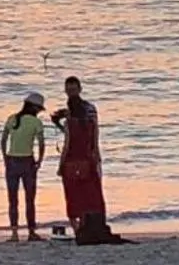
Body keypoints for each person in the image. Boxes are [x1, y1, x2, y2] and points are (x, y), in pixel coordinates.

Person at [52, 76, 127, 244]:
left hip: (73, 161)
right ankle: (89, 229)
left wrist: (60, 165)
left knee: (73, 198)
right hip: (88, 160)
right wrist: (96, 156)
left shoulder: (71, 118)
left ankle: (79, 231)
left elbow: (68, 142)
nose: (70, 92)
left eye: (71, 89)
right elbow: (92, 136)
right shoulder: (88, 112)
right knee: (91, 197)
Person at [0, 91, 47, 240]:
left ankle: (14, 233)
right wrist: (40, 160)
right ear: (34, 108)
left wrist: (5, 158)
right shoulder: (36, 122)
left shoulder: (12, 119)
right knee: (30, 199)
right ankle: (31, 232)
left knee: (12, 199)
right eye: (39, 109)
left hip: (12, 161)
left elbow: (3, 140)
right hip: (28, 161)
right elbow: (41, 143)